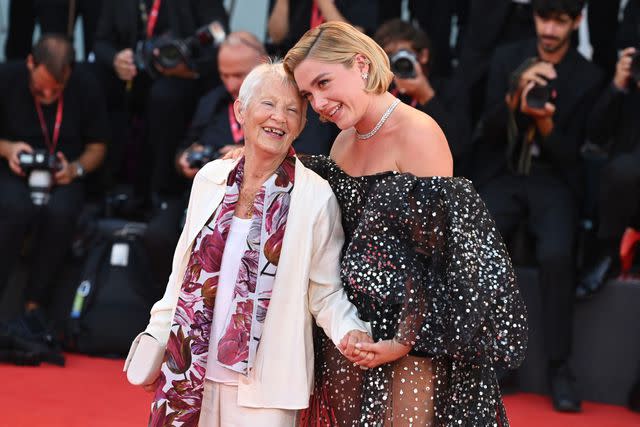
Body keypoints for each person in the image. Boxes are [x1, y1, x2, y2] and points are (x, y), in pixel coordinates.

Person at [283, 21, 528, 426]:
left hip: (414, 338)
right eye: (310, 94)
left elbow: (445, 259)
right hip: (351, 331)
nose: (320, 103)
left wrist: (403, 340)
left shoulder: (418, 133)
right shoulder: (343, 141)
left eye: (324, 83)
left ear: (361, 65)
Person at [134, 62, 372, 426]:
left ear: (302, 124)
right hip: (190, 370)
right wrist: (157, 334)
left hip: (266, 388)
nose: (280, 117)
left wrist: (351, 332)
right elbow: (181, 275)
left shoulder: (315, 197)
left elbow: (325, 292)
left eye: (293, 109)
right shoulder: (210, 178)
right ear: (240, 110)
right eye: (269, 104)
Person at [472, 0, 603, 412]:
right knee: (481, 242)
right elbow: (483, 133)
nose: (549, 29)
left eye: (559, 21)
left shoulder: (588, 77)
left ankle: (559, 367)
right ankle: (494, 357)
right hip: (507, 172)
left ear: (576, 21)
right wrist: (514, 100)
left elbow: (576, 161)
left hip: (554, 180)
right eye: (543, 18)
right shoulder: (509, 58)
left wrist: (546, 124)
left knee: (557, 255)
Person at [0, 35, 109, 330]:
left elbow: (98, 147)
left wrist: (74, 169)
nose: (47, 95)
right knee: (12, 209)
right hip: (12, 171)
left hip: (64, 174)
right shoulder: (7, 77)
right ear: (29, 63)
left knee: (61, 214)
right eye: (40, 88)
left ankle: (35, 308)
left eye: (56, 89)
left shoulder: (86, 86)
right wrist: (9, 149)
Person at [93, 0, 228, 199]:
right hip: (134, 72)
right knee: (94, 82)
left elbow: (220, 36)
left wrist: (191, 69)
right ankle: (101, 189)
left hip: (184, 76)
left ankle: (161, 193)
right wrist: (116, 59)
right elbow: (100, 42)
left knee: (164, 97)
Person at [576, 47, 640, 297]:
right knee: (620, 170)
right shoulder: (630, 89)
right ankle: (607, 253)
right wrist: (617, 86)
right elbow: (595, 135)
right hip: (622, 203)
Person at [373, 18, 472, 176]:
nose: (397, 62)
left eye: (401, 55)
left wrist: (426, 96)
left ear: (423, 55)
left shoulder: (450, 90)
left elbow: (459, 147)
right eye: (388, 57)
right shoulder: (380, 95)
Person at [267, 0, 378, 55]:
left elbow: (353, 39)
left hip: (337, 60)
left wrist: (324, 3)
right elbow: (277, 37)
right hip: (295, 59)